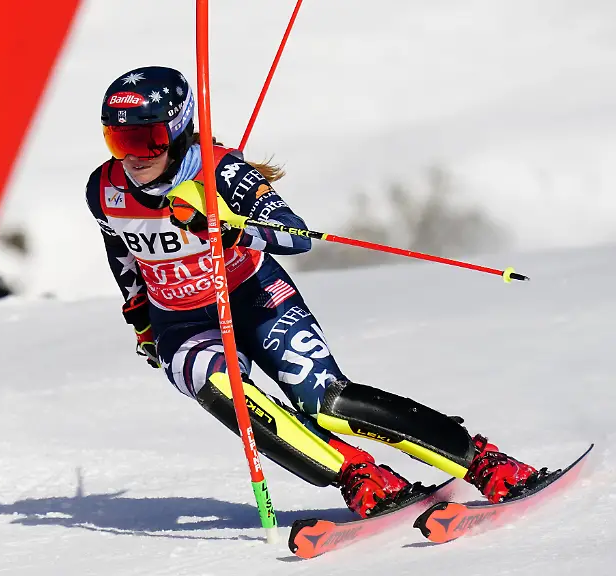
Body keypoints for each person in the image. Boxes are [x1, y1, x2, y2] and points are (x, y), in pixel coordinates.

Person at [84, 65, 543, 518]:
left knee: (324, 401)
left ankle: (481, 461)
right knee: (225, 392)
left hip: (255, 297)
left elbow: (297, 237)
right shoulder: (103, 188)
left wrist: (231, 228)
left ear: (179, 129)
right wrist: (141, 322)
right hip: (179, 322)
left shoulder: (221, 171)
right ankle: (359, 476)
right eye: (119, 141)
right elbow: (122, 257)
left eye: (148, 140)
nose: (134, 156)